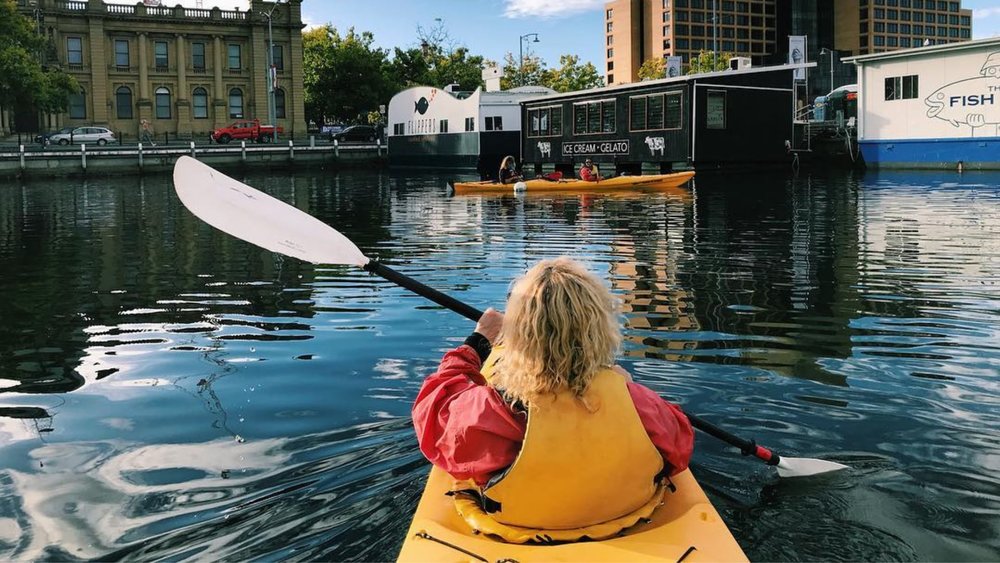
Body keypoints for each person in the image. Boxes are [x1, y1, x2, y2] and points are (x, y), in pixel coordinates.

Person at [412, 257, 693, 539]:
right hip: (623, 516)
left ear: (519, 336)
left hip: (519, 522)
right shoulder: (638, 403)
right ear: (597, 329)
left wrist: (479, 341)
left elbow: (433, 413)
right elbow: (679, 449)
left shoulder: (494, 411)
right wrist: (627, 390)